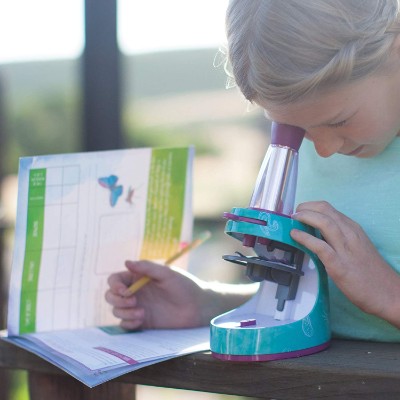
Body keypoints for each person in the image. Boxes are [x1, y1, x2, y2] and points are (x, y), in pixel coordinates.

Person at [106, 0, 400, 341]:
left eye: (339, 121)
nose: (323, 150)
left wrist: (389, 295)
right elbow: (316, 303)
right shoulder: (309, 146)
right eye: (297, 130)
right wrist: (207, 303)